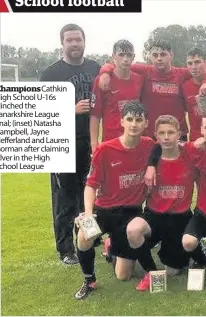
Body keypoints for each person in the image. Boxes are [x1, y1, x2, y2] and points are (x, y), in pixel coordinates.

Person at [73, 101, 155, 299]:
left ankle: (110, 246)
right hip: (104, 210)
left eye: (138, 120)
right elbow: (91, 185)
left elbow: (173, 146)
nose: (133, 124)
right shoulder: (105, 149)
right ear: (121, 122)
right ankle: (89, 280)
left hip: (131, 213)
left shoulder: (150, 146)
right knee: (85, 234)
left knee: (123, 276)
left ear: (146, 123)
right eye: (129, 119)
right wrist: (88, 214)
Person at [39, 23, 101, 265]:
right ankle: (66, 249)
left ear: (84, 41)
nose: (74, 44)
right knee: (65, 198)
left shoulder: (95, 68)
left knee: (90, 194)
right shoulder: (51, 73)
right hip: (62, 143)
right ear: (62, 43)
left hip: (90, 142)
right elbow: (40, 113)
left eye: (78, 39)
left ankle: (87, 238)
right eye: (70, 40)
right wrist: (70, 110)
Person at [97, 39, 206, 140]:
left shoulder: (181, 73)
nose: (159, 58)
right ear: (150, 56)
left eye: (163, 54)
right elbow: (118, 64)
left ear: (171, 55)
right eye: (155, 55)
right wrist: (105, 72)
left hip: (177, 133)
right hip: (150, 134)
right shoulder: (144, 71)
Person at [125, 115, 195, 291]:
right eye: (162, 133)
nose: (166, 137)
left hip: (180, 218)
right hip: (154, 216)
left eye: (171, 132)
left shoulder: (190, 154)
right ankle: (151, 273)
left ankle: (192, 248)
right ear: (155, 135)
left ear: (179, 134)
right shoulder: (149, 157)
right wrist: (150, 166)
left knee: (173, 271)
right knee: (133, 232)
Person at [90, 39, 143, 151]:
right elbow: (95, 115)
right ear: (114, 56)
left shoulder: (139, 79)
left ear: (133, 57)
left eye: (129, 55)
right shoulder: (102, 81)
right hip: (111, 142)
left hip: (135, 141)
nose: (125, 59)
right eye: (121, 55)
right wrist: (94, 145)